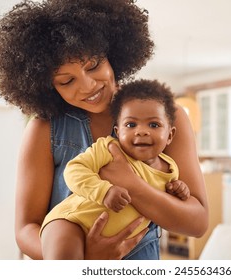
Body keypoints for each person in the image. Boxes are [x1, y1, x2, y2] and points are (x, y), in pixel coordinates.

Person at [0, 0, 208, 260]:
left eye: (93, 65)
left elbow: (197, 222)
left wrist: (130, 184)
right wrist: (82, 258)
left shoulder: (165, 116)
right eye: (67, 81)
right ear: (48, 86)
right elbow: (26, 229)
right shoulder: (44, 129)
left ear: (112, 54)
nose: (88, 85)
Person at [40, 79, 190, 259]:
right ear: (118, 132)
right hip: (71, 222)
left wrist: (179, 190)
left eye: (154, 125)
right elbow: (74, 169)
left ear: (170, 135)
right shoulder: (109, 148)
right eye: (131, 125)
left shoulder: (170, 168)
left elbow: (162, 205)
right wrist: (104, 191)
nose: (141, 131)